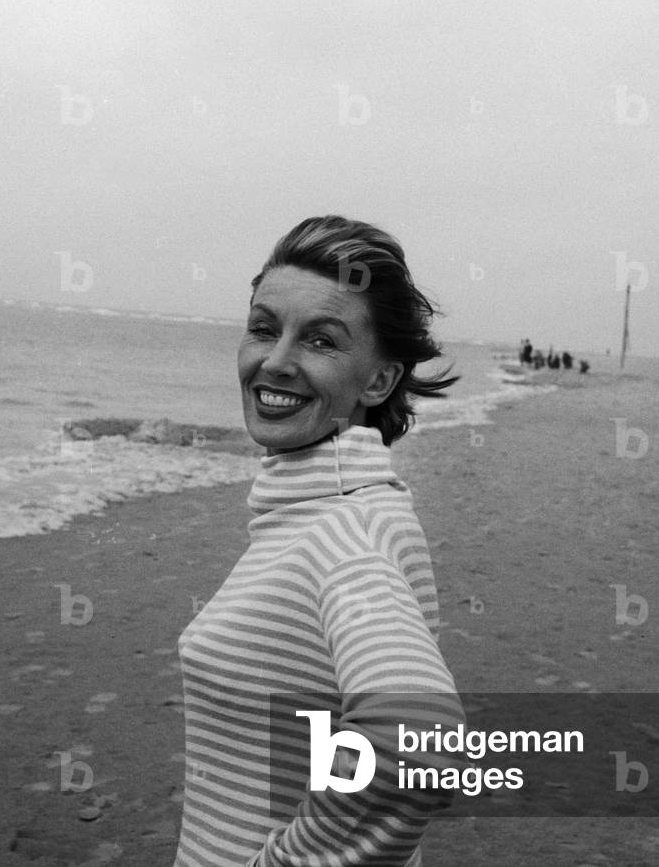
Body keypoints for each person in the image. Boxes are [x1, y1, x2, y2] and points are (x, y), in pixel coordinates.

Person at [174, 216, 465, 867]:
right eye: (262, 328)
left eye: (320, 340)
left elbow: (414, 743)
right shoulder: (338, 507)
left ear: (379, 381)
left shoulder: (345, 532)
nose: (274, 362)